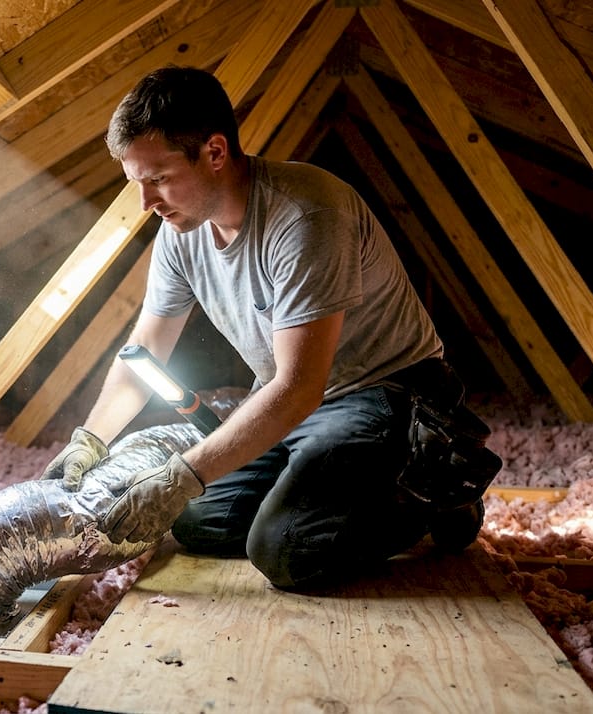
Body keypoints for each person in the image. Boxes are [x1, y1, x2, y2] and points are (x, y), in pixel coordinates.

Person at [39, 65, 494, 592]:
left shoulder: (305, 214)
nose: (147, 204)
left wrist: (181, 475)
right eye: (136, 183)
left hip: (386, 391)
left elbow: (300, 386)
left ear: (214, 152)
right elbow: (145, 349)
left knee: (287, 553)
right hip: (295, 395)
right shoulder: (180, 233)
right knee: (197, 522)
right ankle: (341, 487)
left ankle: (435, 489)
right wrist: (89, 440)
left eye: (158, 179)